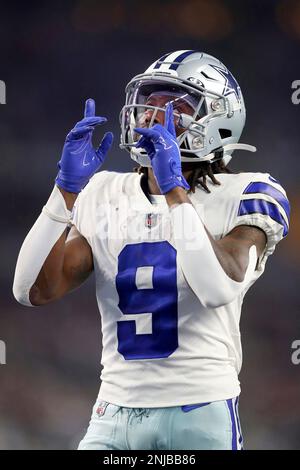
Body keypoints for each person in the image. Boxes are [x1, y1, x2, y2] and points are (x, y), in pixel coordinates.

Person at [13, 50, 290, 450]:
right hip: (111, 413)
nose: (151, 116)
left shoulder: (249, 193)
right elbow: (32, 291)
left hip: (199, 412)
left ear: (218, 119)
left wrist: (174, 190)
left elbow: (217, 288)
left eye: (173, 106)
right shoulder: (105, 192)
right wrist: (64, 194)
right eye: (149, 103)